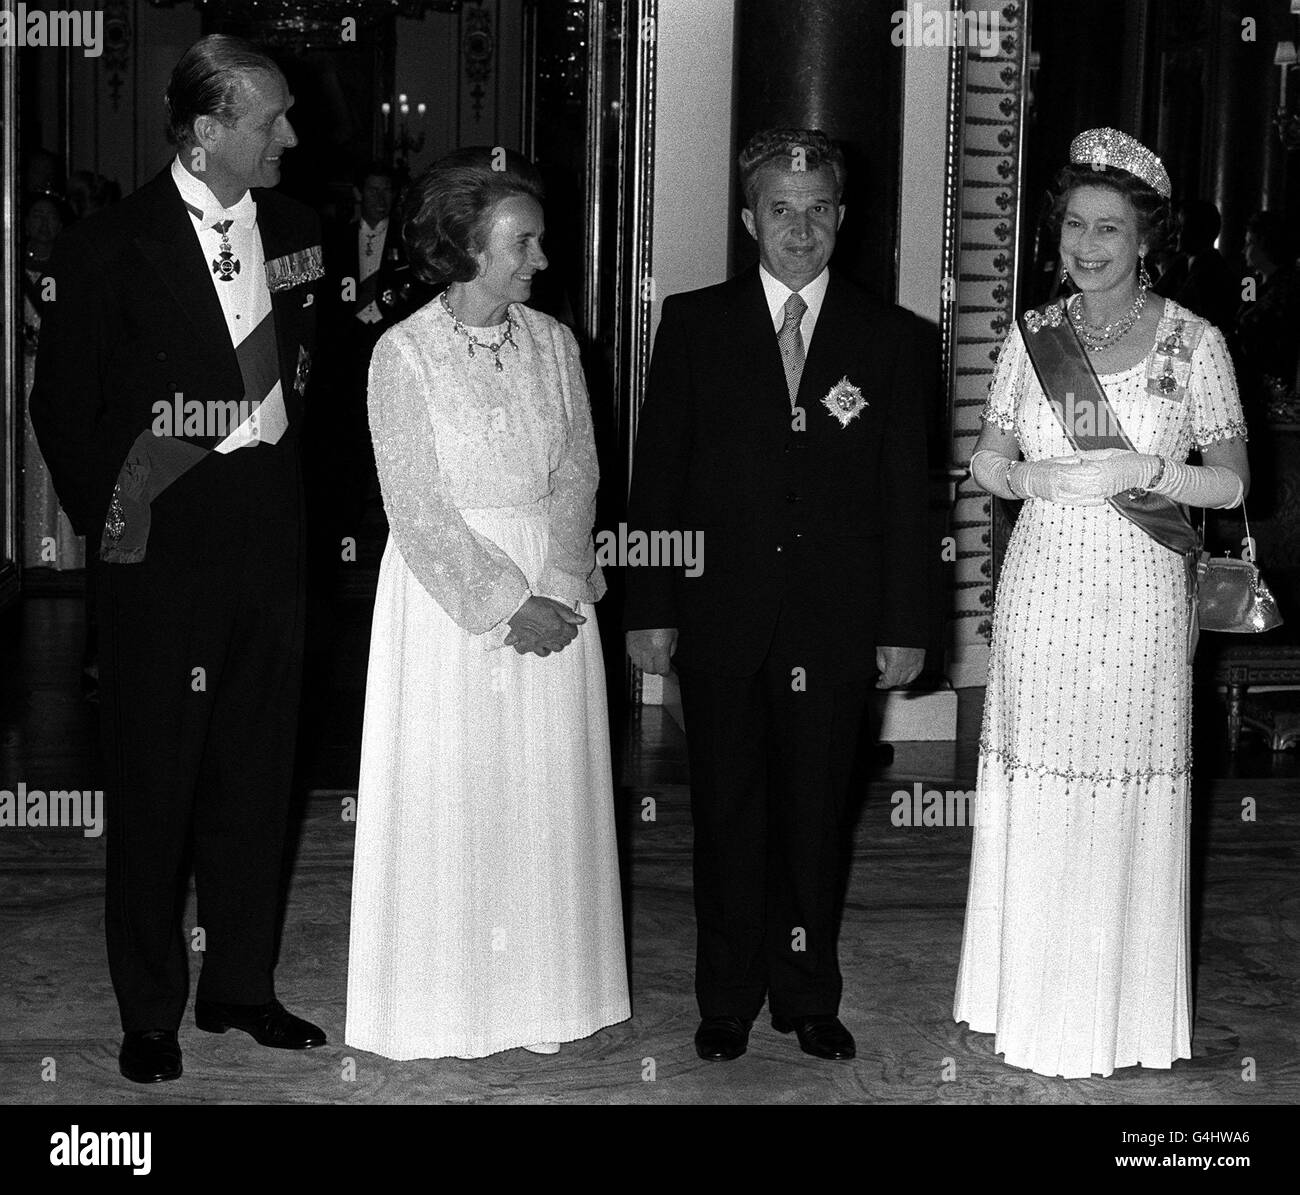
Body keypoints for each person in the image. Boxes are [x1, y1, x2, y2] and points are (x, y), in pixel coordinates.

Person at [30, 34, 327, 1084]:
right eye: (269, 120)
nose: (290, 134)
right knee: (157, 788)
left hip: (272, 542)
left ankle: (239, 983)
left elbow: (309, 375)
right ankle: (148, 1007)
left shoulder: (298, 230)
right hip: (162, 547)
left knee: (259, 776)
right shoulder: (107, 247)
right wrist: (124, 535)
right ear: (207, 134)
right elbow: (62, 412)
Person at [624, 128, 933, 1063]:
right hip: (719, 619)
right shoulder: (694, 324)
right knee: (724, 815)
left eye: (819, 209)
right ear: (749, 216)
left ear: (842, 216)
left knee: (813, 818)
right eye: (781, 209)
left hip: (837, 627)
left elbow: (907, 499)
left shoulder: (891, 340)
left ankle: (807, 993)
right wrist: (649, 607)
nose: (800, 228)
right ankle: (725, 997)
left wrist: (906, 624)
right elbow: (657, 479)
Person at [957, 128, 1250, 1078]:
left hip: (1143, 600)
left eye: (1110, 229)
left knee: (1127, 784)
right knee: (1043, 780)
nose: (1088, 246)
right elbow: (987, 462)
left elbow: (1237, 486)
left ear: (1144, 240)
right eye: (1076, 225)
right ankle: (1029, 999)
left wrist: (1151, 467)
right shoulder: (1031, 337)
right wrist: (1026, 476)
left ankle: (1116, 1014)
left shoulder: (1195, 342)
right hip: (1043, 591)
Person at [345, 147, 630, 1060]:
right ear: (466, 245)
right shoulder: (403, 351)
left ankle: (545, 997)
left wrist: (552, 584)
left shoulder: (555, 343)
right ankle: (442, 1003)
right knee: (454, 793)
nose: (540, 260)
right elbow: (416, 505)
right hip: (446, 601)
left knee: (540, 798)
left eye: (538, 241)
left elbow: (580, 471)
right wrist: (507, 606)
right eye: (523, 242)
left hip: (555, 587)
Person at [20, 191, 83, 571]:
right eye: (35, 216)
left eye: (49, 217)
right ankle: (24, 552)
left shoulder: (69, 268)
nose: (42, 225)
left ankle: (60, 555)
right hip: (19, 374)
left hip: (53, 375)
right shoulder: (11, 268)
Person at [1153, 198, 1237, 331]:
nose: (1175, 235)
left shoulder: (1212, 274)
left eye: (1181, 228)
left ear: (1197, 231)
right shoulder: (1181, 266)